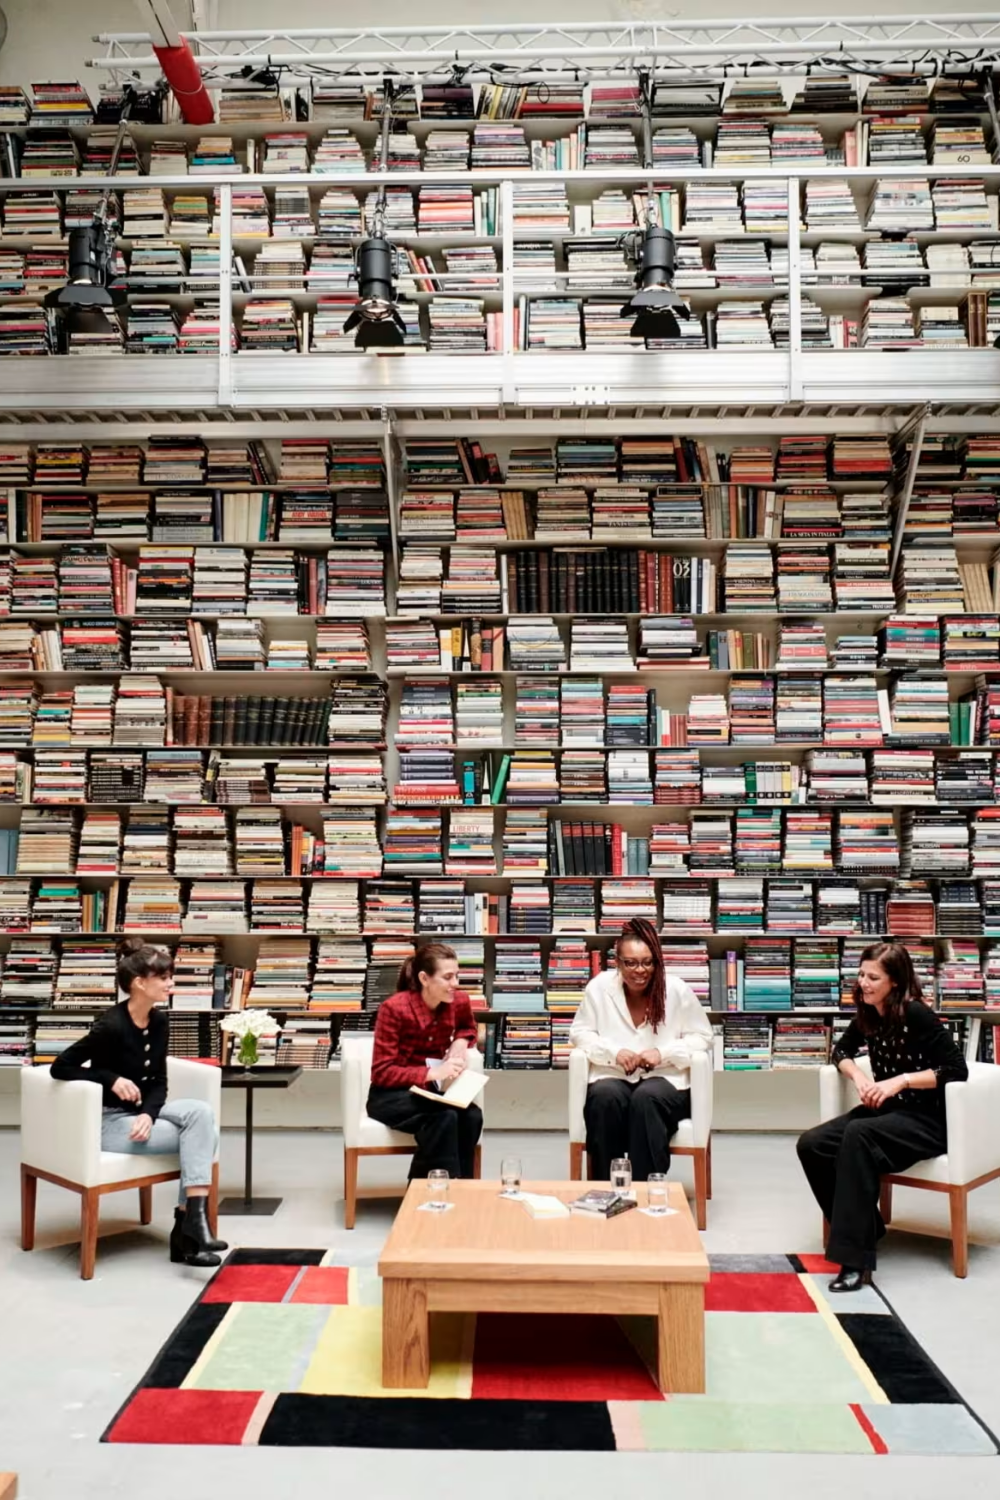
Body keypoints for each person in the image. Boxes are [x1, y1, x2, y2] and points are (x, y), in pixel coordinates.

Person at [797, 941, 968, 1293]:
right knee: (812, 1143)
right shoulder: (869, 1013)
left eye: (873, 977)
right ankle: (868, 1226)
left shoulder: (916, 1013)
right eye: (861, 974)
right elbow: (840, 1051)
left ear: (895, 982)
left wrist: (900, 1081)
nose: (864, 983)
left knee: (858, 1134)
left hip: (926, 1121)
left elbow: (955, 1070)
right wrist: (860, 1077)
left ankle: (855, 1261)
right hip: (888, 1115)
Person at [50, 939, 227, 1268]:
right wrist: (109, 1078)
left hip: (141, 1114)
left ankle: (192, 1227)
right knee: (204, 1136)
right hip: (110, 1121)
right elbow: (61, 1066)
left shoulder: (159, 1021)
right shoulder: (111, 1025)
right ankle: (188, 1232)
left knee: (200, 1113)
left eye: (170, 976)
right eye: (164, 978)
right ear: (139, 983)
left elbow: (159, 1080)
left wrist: (148, 1113)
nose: (170, 984)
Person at [569, 917, 713, 1181]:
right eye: (631, 963)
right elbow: (580, 1033)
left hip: (667, 1081)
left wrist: (664, 1053)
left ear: (657, 961)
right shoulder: (599, 988)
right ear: (617, 962)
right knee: (604, 1097)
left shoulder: (676, 989)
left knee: (646, 1098)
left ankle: (645, 1189)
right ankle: (606, 1189)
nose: (640, 970)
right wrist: (613, 1053)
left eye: (648, 962)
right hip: (613, 1075)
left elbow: (703, 1036)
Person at [366, 941, 483, 1180]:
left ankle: (461, 1188)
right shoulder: (394, 1009)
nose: (455, 984)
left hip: (430, 1094)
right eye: (448, 977)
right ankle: (428, 1193)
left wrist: (460, 1042)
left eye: (457, 976)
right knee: (444, 1118)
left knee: (472, 1115)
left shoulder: (458, 1001)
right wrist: (432, 1074)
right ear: (424, 978)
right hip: (391, 1096)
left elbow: (467, 1027)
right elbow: (381, 1072)